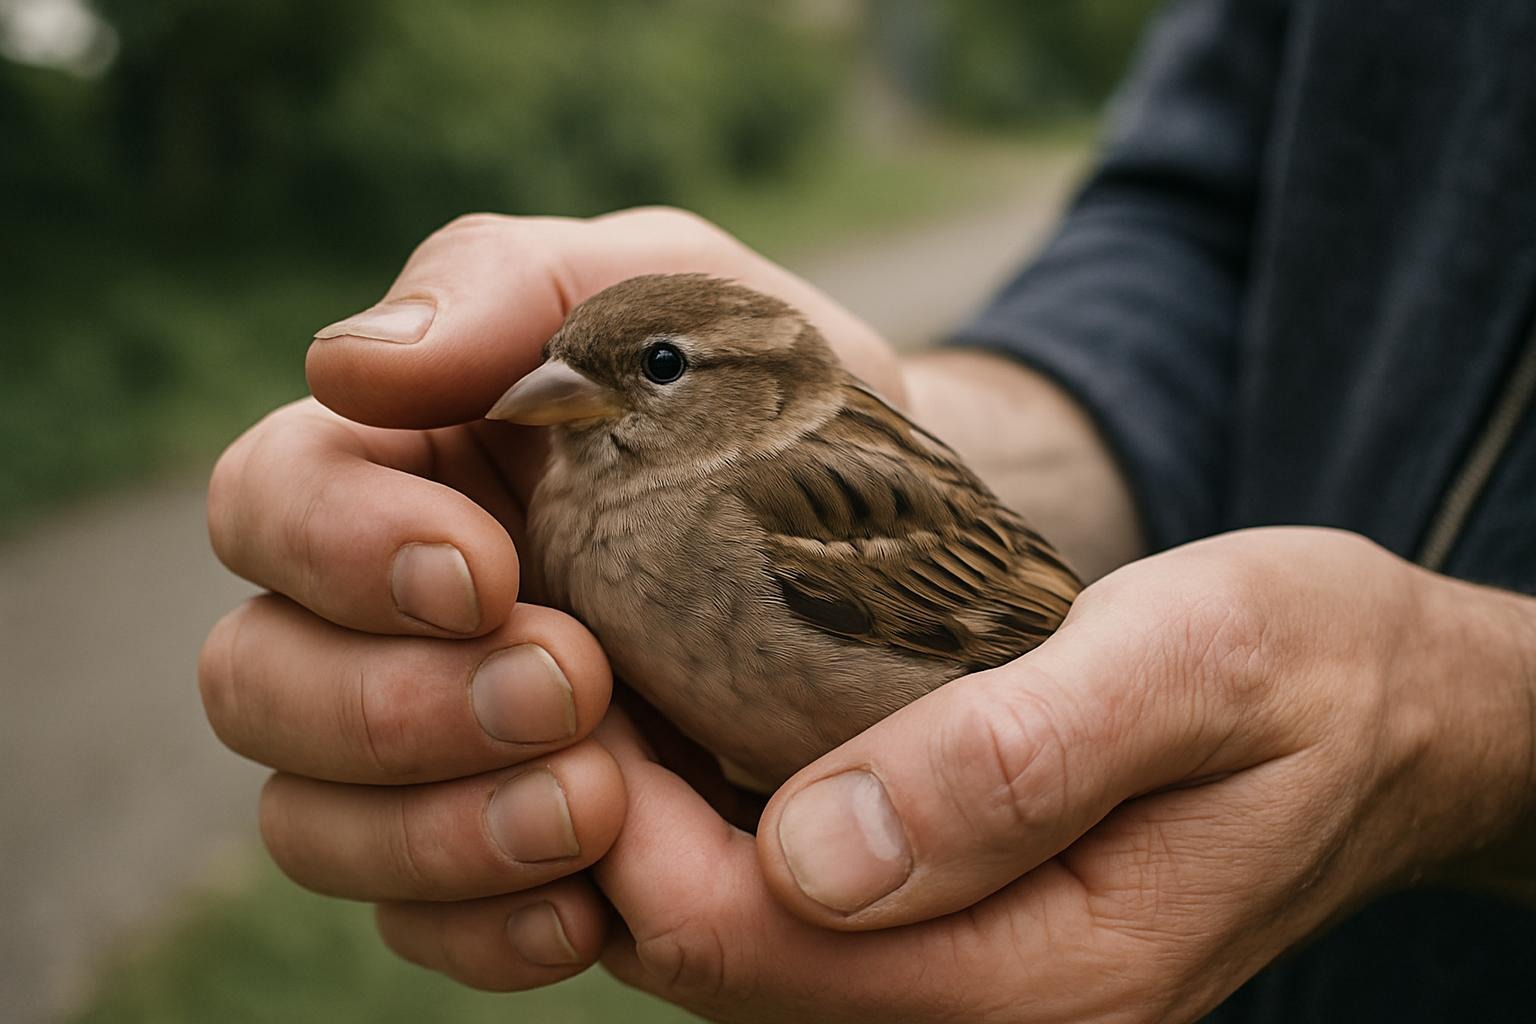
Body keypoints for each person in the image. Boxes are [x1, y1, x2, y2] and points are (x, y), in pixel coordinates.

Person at [198, 0, 1536, 1019]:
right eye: (572, 369)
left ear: (749, 393)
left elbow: (1023, 628)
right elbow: (1195, 233)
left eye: (656, 371)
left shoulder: (756, 505)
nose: (555, 397)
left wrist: (1453, 726)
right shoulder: (583, 496)